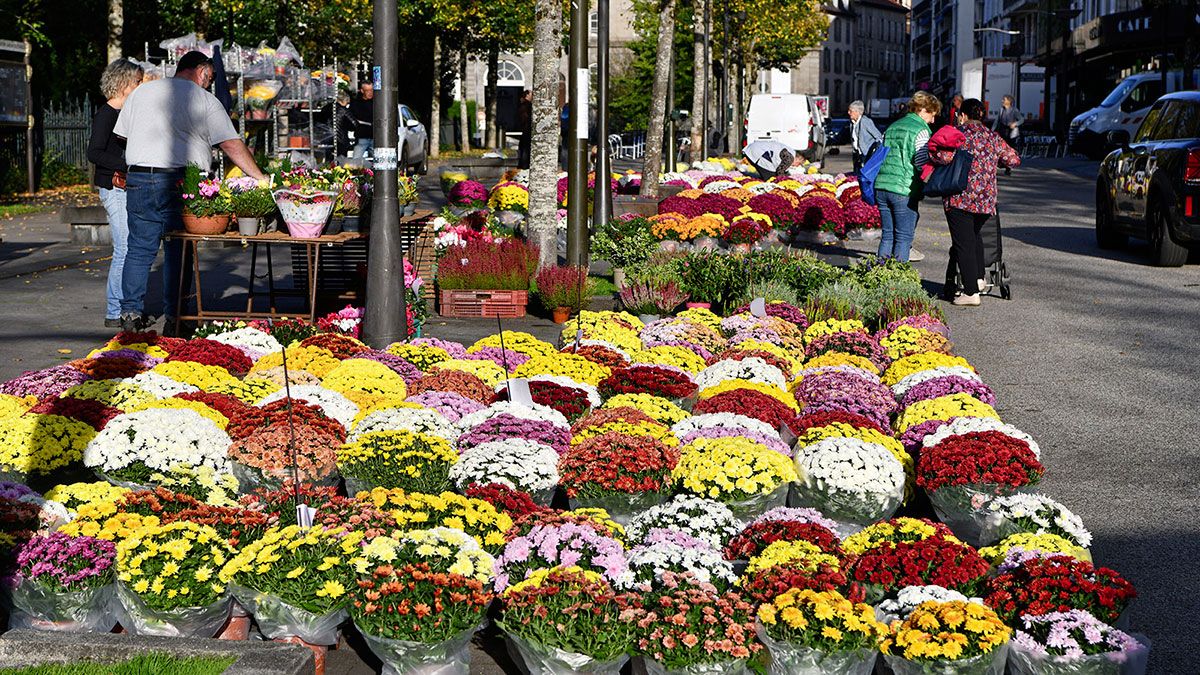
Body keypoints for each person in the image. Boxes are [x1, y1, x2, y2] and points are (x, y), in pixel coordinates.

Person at [114, 50, 266, 334]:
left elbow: (122, 135)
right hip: (179, 179)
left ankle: (130, 313)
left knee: (138, 248)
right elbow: (231, 144)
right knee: (179, 249)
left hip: (138, 177)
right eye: (210, 77)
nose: (209, 83)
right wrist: (259, 177)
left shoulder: (142, 92)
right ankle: (177, 315)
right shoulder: (204, 99)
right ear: (202, 71)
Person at [931, 98, 1020, 306]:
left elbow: (942, 157)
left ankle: (971, 293)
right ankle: (978, 279)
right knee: (974, 236)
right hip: (985, 200)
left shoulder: (959, 136)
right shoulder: (993, 137)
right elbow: (1013, 159)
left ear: (962, 115)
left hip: (960, 197)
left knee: (963, 243)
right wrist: (991, 160)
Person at [88, 58, 143, 329]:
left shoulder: (124, 114)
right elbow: (94, 153)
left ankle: (120, 307)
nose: (140, 86)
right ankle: (115, 310)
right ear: (123, 84)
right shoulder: (107, 114)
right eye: (137, 82)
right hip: (113, 187)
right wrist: (127, 163)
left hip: (123, 186)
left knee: (127, 246)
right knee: (123, 247)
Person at [874, 91, 941, 263]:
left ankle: (878, 278)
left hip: (882, 186)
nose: (933, 121)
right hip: (903, 189)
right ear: (922, 109)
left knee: (887, 236)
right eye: (932, 115)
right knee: (903, 238)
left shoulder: (893, 126)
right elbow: (920, 162)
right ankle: (896, 283)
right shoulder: (921, 131)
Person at [848, 100, 882, 173]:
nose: (849, 113)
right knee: (856, 175)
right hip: (857, 154)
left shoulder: (865, 121)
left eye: (851, 111)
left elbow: (878, 136)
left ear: (858, 112)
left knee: (865, 174)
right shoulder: (852, 122)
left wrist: (874, 149)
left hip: (867, 154)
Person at [993, 94, 1022, 175]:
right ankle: (1001, 164)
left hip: (1011, 132)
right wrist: (992, 130)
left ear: (1009, 101)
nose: (1002, 101)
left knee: (1010, 149)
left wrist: (1015, 124)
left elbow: (1021, 120)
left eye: (1004, 99)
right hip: (1003, 131)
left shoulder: (1014, 110)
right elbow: (997, 121)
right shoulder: (1001, 110)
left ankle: (1008, 167)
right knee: (1001, 149)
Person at [350, 81, 374, 158]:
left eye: (371, 90)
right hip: (362, 135)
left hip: (375, 136)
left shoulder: (377, 102)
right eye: (368, 90)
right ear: (362, 91)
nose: (370, 93)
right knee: (356, 159)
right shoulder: (356, 103)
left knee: (379, 160)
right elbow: (354, 117)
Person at [517, 89, 532, 169]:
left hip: (525, 131)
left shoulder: (523, 105)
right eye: (531, 94)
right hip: (527, 131)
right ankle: (524, 167)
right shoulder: (527, 106)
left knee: (524, 150)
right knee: (526, 151)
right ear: (527, 95)